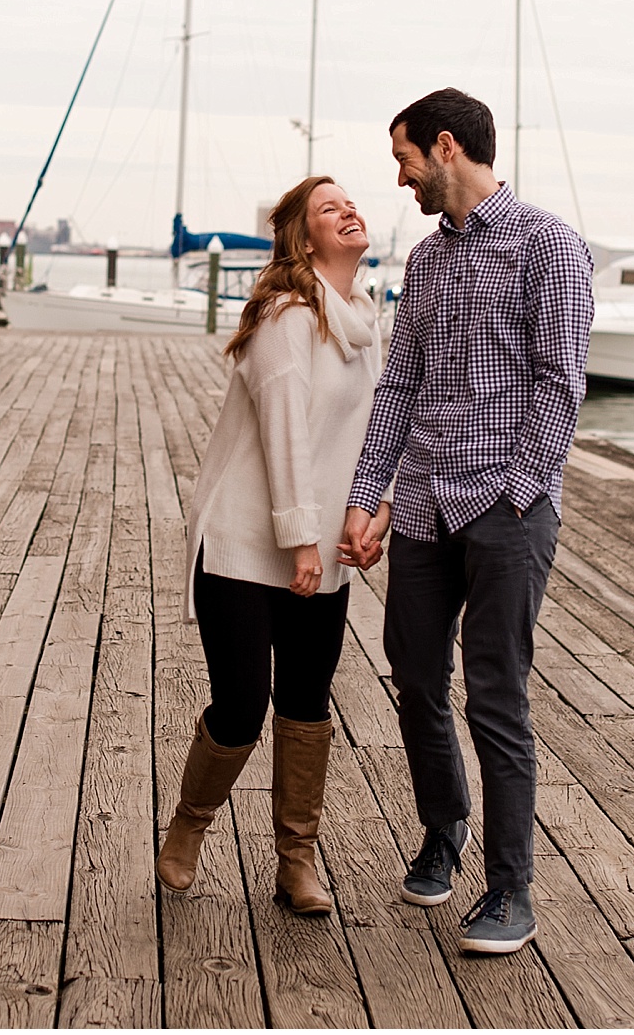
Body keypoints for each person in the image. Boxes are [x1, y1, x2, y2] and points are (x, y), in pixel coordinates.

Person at [339, 87, 593, 955]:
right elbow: (400, 384)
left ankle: (510, 890)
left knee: (497, 695)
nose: (400, 179)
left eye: (404, 158)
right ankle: (443, 827)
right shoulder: (430, 258)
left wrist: (518, 493)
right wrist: (368, 496)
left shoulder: (549, 246)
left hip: (506, 512)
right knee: (413, 671)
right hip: (421, 506)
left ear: (445, 147)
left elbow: (562, 386)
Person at [157, 176, 383, 916]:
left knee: (308, 703)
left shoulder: (363, 319)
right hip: (248, 542)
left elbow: (365, 438)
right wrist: (300, 541)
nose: (348, 210)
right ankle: (189, 826)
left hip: (322, 544)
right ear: (302, 239)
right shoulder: (287, 317)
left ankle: (296, 862)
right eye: (329, 208)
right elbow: (286, 437)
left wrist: (371, 513)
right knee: (242, 704)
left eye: (350, 202)